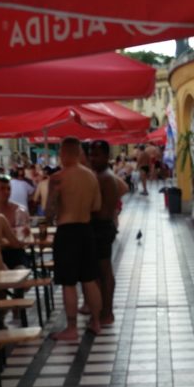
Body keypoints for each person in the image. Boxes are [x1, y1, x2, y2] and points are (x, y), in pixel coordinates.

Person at [45, 137, 102, 340]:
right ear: (79, 153)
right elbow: (96, 206)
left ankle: (71, 328)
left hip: (67, 232)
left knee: (68, 283)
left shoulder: (58, 178)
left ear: (63, 153)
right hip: (86, 230)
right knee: (89, 279)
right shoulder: (91, 177)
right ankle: (96, 322)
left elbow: (49, 212)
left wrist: (55, 199)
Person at [89, 140, 128, 326]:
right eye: (91, 154)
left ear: (106, 156)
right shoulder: (103, 175)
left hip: (101, 228)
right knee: (100, 271)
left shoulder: (104, 177)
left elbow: (102, 211)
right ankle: (104, 309)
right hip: (103, 227)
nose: (92, 158)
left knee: (104, 271)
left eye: (96, 155)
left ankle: (107, 311)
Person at [0, 176, 31, 268]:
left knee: (21, 268)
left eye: (8, 189)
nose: (6, 192)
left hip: (16, 252)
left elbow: (25, 236)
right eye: (2, 189)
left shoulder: (19, 210)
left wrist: (26, 232)